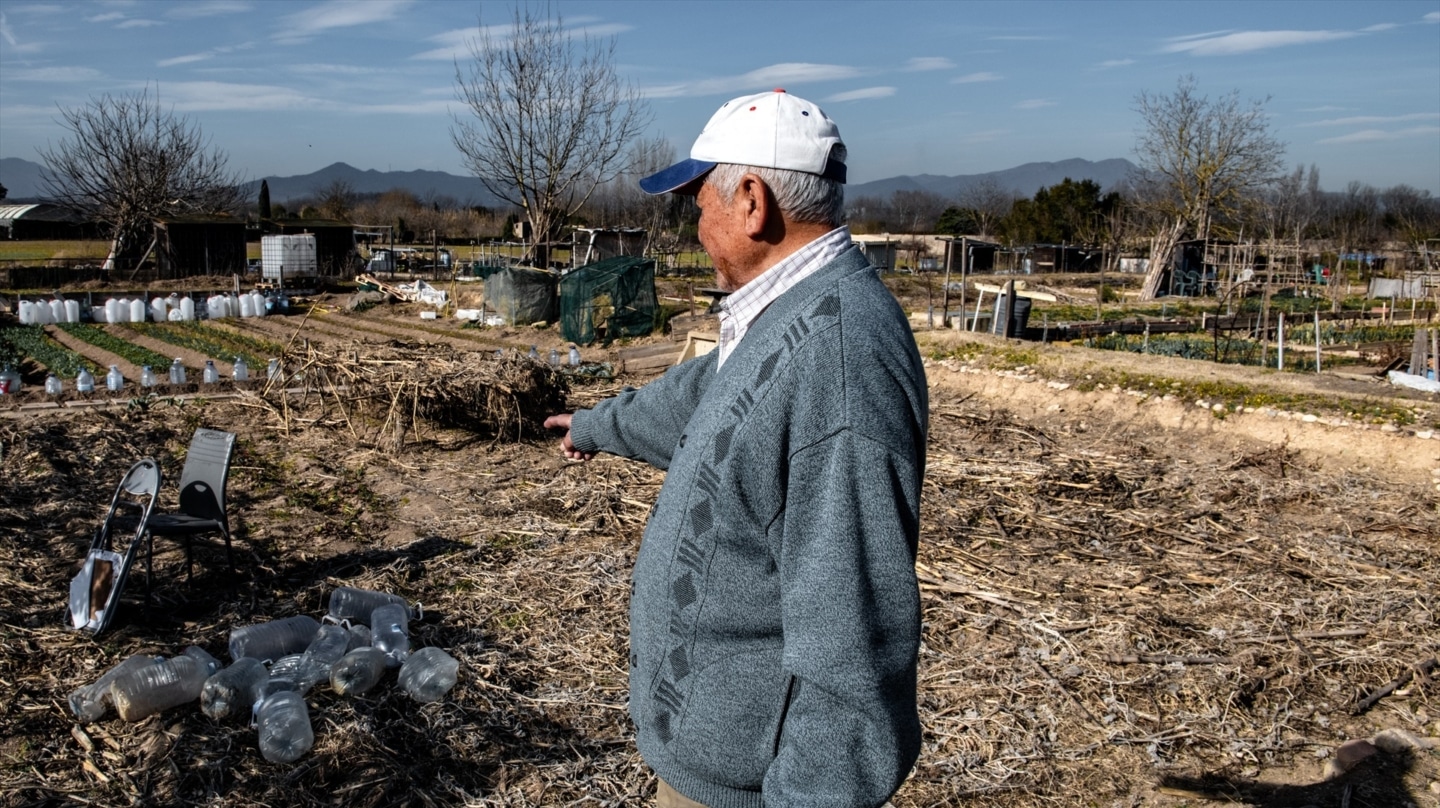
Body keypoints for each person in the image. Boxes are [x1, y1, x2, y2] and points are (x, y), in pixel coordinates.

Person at [545, 89, 928, 808]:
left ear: (751, 200)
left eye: (699, 205)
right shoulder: (787, 317)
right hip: (709, 763)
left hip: (748, 791)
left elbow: (852, 647)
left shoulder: (840, 367)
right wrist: (597, 425)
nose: (696, 228)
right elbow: (708, 398)